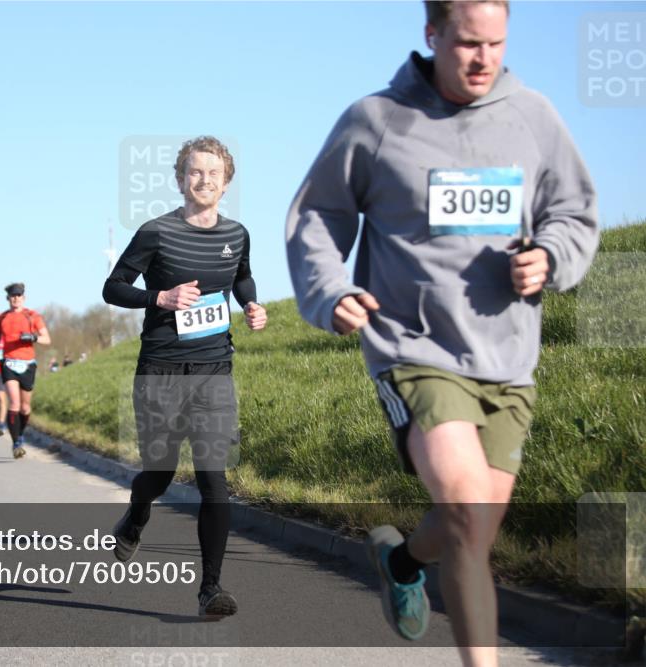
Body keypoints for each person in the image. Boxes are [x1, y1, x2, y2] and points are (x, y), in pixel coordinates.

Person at [284, 2, 598, 664]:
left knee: (471, 527)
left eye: (496, 43)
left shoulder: (533, 117)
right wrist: (330, 292)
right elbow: (318, 215)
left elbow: (572, 210)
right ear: (432, 34)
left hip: (507, 358)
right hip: (414, 348)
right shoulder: (376, 121)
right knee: (462, 511)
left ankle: (402, 561)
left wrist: (551, 255)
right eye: (467, 43)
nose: (484, 58)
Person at [103, 135, 267, 618]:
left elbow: (241, 276)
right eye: (195, 172)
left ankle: (210, 589)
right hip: (161, 370)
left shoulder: (237, 234)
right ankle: (136, 516)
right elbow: (113, 287)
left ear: (226, 182)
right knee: (159, 471)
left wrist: (251, 304)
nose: (205, 180)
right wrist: (160, 298)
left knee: (214, 481)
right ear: (179, 179)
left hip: (215, 368)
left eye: (214, 174)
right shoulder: (156, 232)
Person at [0, 283, 50, 458]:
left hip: (28, 363)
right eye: (12, 296)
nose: (15, 299)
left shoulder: (32, 316)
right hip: (9, 363)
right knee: (14, 403)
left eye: (18, 296)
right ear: (8, 298)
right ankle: (16, 443)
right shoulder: (1, 318)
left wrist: (33, 337)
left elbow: (47, 339)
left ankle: (21, 434)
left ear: (24, 298)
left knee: (25, 408)